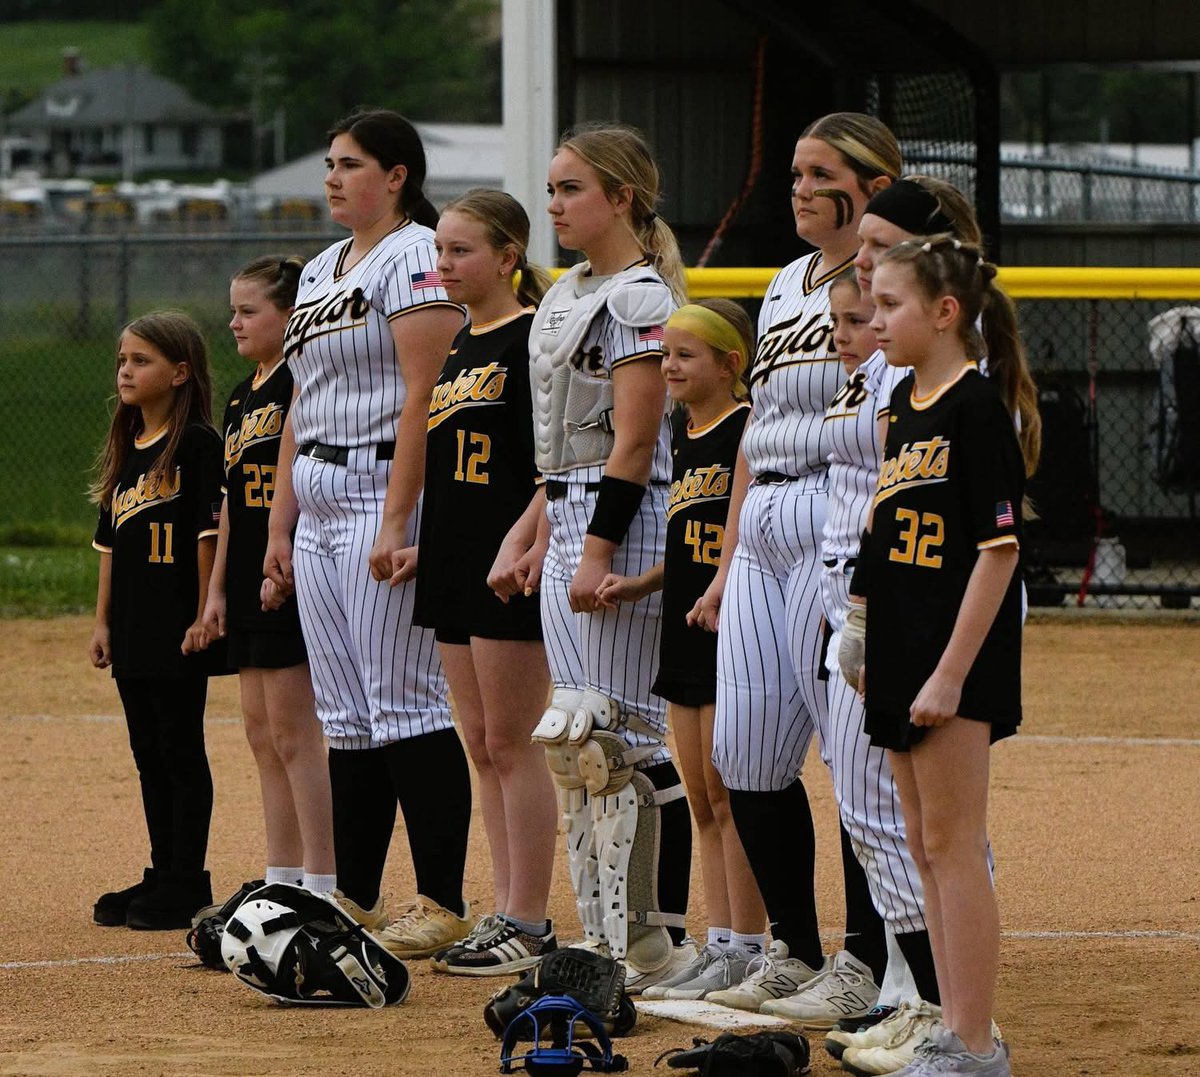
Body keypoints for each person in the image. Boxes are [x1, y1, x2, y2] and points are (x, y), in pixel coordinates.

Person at [692, 113, 901, 1016]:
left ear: (876, 185)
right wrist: (728, 553)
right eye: (796, 173)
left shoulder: (892, 283)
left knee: (854, 763)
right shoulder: (783, 283)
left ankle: (864, 961)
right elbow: (753, 431)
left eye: (824, 174)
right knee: (743, 752)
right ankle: (795, 951)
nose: (802, 188)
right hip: (768, 514)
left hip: (836, 504)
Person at [262, 108, 474, 960]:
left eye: (350, 163)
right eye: (329, 162)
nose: (332, 177)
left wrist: (396, 514)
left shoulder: (416, 253)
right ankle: (351, 890)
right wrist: (279, 524)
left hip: (384, 485)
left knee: (405, 702)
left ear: (396, 174)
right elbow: (298, 404)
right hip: (317, 491)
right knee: (345, 714)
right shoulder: (318, 269)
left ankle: (442, 898)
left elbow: (426, 390)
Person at [489, 123, 694, 994]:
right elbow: (560, 454)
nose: (555, 204)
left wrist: (595, 548)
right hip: (569, 508)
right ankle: (601, 934)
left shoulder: (640, 297)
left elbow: (636, 442)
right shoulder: (570, 288)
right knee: (574, 742)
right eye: (552, 188)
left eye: (572, 188)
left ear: (622, 196)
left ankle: (654, 938)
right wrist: (534, 530)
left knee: (628, 742)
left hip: (627, 520)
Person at [841, 234, 1040, 1077]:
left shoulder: (973, 405)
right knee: (922, 841)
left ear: (946, 312)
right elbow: (883, 533)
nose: (873, 320)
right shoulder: (906, 405)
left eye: (890, 306)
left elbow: (998, 550)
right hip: (899, 646)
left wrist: (953, 672)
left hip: (951, 655)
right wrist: (858, 625)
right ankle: (952, 1024)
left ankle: (974, 1041)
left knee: (953, 842)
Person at [396, 189, 559, 975]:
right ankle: (504, 908)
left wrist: (525, 539)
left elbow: (553, 468)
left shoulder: (530, 339)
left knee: (510, 739)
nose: (445, 265)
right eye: (441, 251)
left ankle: (529, 919)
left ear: (507, 256)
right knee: (479, 742)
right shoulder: (462, 342)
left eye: (461, 251)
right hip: (454, 555)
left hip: (504, 562)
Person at [593, 299, 767, 1001]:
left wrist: (720, 586)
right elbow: (687, 537)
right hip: (684, 623)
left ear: (731, 364)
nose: (668, 367)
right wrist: (643, 581)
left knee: (730, 791)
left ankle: (748, 945)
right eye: (665, 355)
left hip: (728, 624)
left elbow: (738, 537)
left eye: (685, 355)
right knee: (699, 793)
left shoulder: (745, 430)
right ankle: (719, 941)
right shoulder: (684, 431)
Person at [199, 255, 336, 906]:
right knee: (259, 732)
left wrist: (278, 564)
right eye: (233, 310)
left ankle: (323, 879)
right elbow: (229, 505)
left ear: (290, 317)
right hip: (248, 576)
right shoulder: (241, 392)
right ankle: (280, 875)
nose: (235, 322)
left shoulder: (298, 382)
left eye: (250, 311)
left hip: (286, 571)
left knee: (294, 732)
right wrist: (215, 592)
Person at [88, 311, 224, 930]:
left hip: (177, 624)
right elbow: (110, 548)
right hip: (136, 626)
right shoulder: (127, 445)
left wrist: (202, 615)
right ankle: (163, 867)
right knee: (148, 753)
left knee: (178, 748)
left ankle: (187, 879)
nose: (126, 369)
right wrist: (102, 623)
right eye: (123, 359)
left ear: (179, 372)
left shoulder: (195, 443)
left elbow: (206, 537)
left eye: (141, 360)